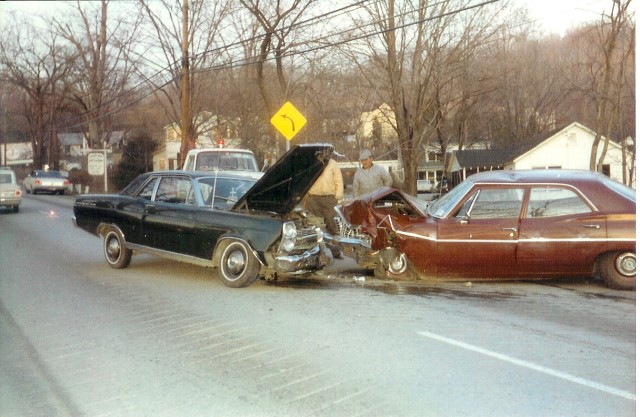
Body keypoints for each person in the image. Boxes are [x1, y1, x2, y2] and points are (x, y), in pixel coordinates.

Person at [305, 154, 344, 236]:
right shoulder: (311, 164)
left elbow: (338, 180)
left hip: (329, 199)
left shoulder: (333, 163)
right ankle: (317, 243)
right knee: (314, 223)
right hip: (314, 199)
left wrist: (338, 196)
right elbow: (306, 180)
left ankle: (334, 244)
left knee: (331, 222)